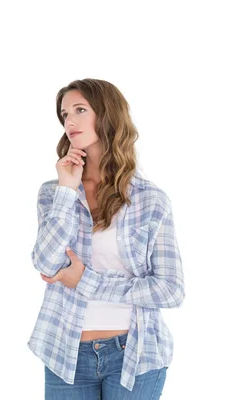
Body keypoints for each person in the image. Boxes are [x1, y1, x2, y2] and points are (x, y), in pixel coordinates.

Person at [28, 78, 184, 399]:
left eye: (80, 110)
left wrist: (87, 281)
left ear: (108, 115)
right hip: (65, 350)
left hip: (135, 352)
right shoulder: (54, 192)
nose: (69, 121)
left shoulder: (150, 200)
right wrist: (67, 191)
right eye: (65, 114)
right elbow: (45, 263)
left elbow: (171, 290)